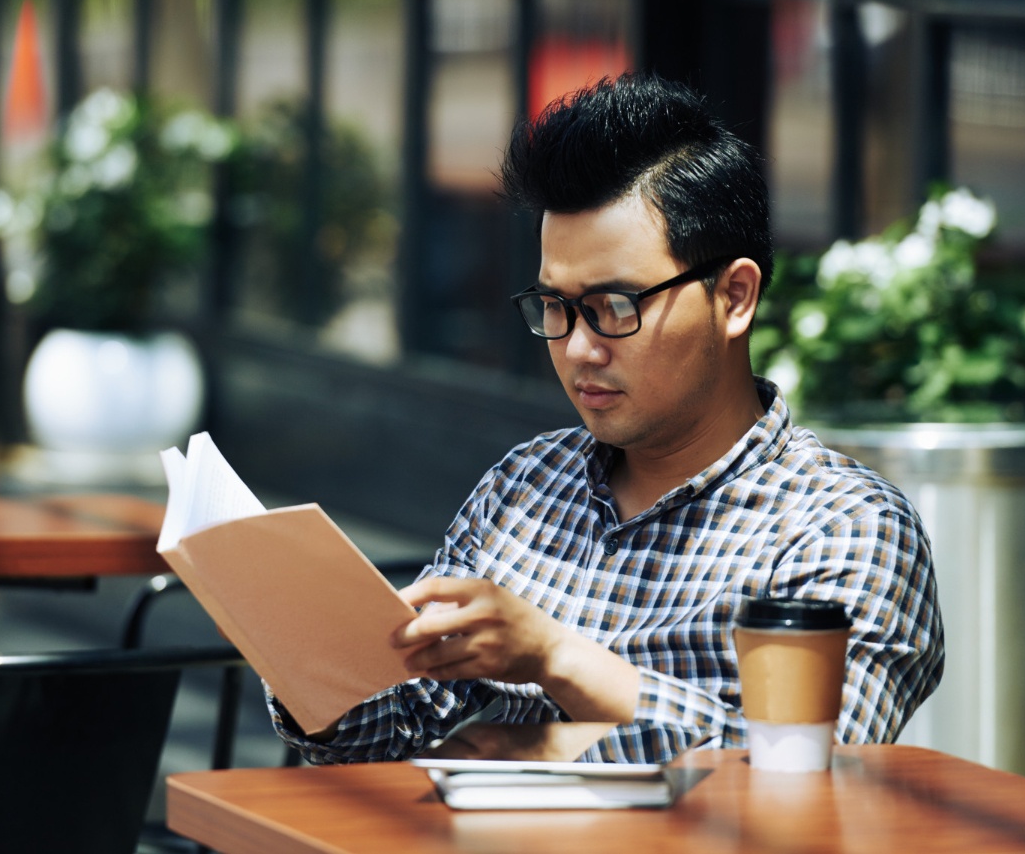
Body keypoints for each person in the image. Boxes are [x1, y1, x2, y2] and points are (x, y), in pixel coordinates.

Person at [268, 73, 943, 763]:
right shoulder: (527, 487)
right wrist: (300, 649)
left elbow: (805, 777)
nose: (579, 347)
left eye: (617, 306)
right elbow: (387, 728)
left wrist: (555, 656)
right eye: (555, 305)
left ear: (735, 297)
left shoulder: (843, 527)